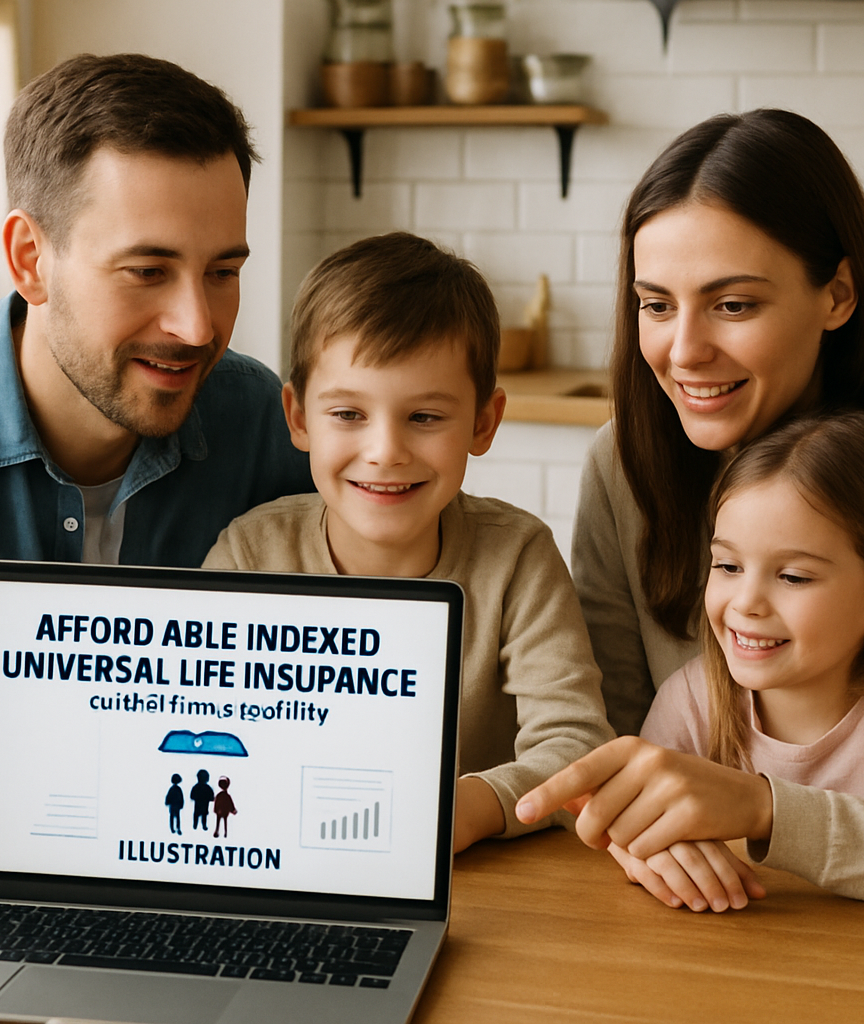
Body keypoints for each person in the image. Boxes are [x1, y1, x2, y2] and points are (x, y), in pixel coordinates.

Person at [517, 108, 864, 906]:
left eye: (733, 305)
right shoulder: (623, 462)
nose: (683, 352)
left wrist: (764, 814)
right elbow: (611, 734)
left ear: (838, 295)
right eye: (656, 304)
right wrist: (638, 835)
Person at [0, 54, 313, 848]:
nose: (197, 326)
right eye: (148, 271)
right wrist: (38, 804)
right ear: (31, 258)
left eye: (223, 271)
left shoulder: (262, 426)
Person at [203, 232, 614, 853]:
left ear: (483, 422)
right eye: (348, 414)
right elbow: (196, 719)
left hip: (475, 886)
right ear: (297, 418)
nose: (386, 451)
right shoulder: (249, 554)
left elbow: (576, 742)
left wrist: (469, 808)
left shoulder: (518, 557)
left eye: (424, 417)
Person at [618, 414, 864, 906]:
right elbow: (633, 814)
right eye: (728, 566)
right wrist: (643, 846)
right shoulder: (693, 698)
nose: (746, 602)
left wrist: (766, 810)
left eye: (793, 577)